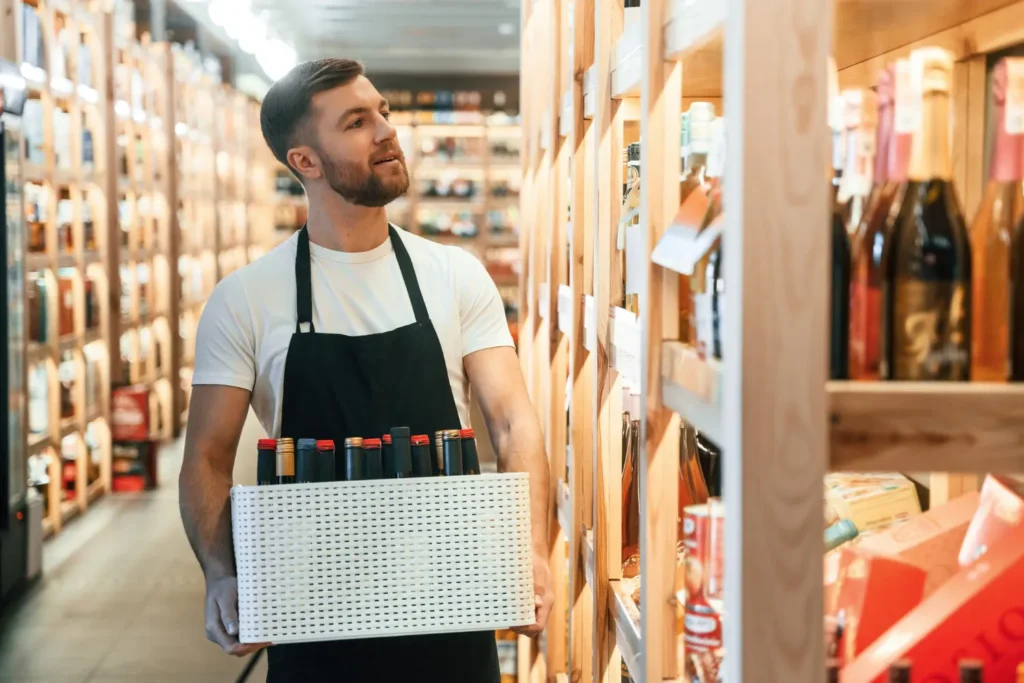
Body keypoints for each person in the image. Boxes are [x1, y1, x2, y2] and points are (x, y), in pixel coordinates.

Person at [178, 58, 552, 683]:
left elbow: (513, 421)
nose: (386, 131)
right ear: (305, 160)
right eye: (356, 122)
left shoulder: (454, 276)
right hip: (309, 609)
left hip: (451, 602)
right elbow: (207, 459)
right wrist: (222, 574)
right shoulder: (246, 299)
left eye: (383, 112)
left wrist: (530, 550)